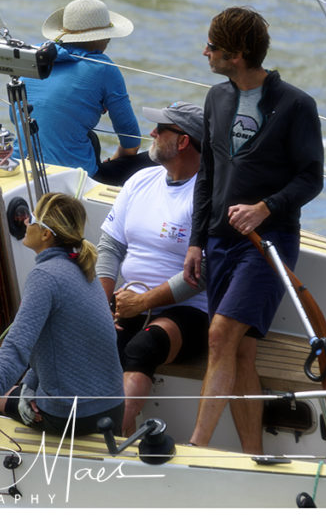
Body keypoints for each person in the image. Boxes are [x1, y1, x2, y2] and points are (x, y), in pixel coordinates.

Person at [183, 7, 324, 453]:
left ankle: (197, 449)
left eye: (213, 47)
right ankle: (253, 454)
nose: (205, 52)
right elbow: (207, 173)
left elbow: (311, 178)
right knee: (241, 350)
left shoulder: (297, 105)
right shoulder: (215, 99)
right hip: (221, 242)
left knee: (220, 334)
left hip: (269, 242)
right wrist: (197, 241)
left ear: (238, 55)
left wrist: (266, 208)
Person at [0, 192, 124, 435]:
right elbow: (59, 346)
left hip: (70, 417)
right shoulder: (85, 269)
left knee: (2, 396)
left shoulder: (44, 276)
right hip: (113, 409)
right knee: (18, 386)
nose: (25, 222)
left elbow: (18, 344)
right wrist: (29, 384)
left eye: (32, 219)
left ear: (46, 234)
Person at [95, 101, 210, 435]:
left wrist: (143, 303)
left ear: (183, 141)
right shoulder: (141, 180)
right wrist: (104, 304)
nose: (152, 133)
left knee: (143, 348)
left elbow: (202, 274)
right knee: (98, 338)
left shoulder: (207, 195)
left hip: (187, 310)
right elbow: (110, 246)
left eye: (161, 129)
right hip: (130, 302)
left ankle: (112, 440)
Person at [15, 0, 154, 185]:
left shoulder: (35, 57)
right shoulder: (104, 68)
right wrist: (112, 162)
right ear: (103, 37)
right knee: (156, 159)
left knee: (89, 138)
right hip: (71, 178)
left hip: (20, 167)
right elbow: (131, 143)